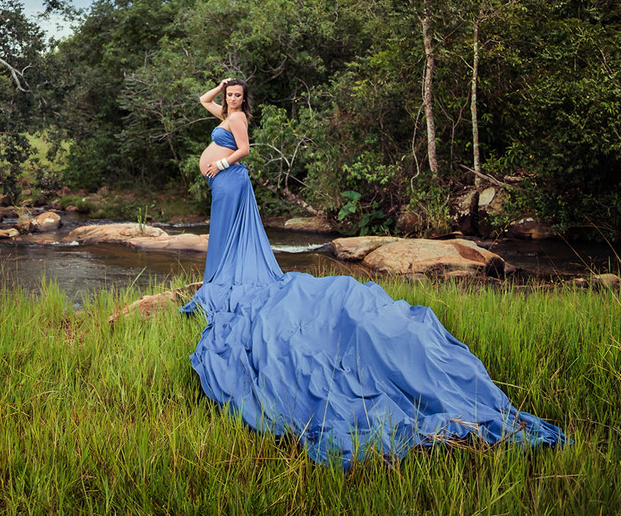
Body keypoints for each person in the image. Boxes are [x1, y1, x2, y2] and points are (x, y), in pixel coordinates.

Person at [184, 76, 568, 468]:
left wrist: (221, 161)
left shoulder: (239, 120)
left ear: (245, 99)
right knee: (225, 236)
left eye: (236, 94)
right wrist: (218, 85)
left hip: (229, 178)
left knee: (233, 236)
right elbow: (201, 99)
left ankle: (230, 276)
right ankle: (224, 274)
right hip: (224, 184)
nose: (231, 98)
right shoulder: (225, 110)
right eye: (230, 94)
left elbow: (245, 149)